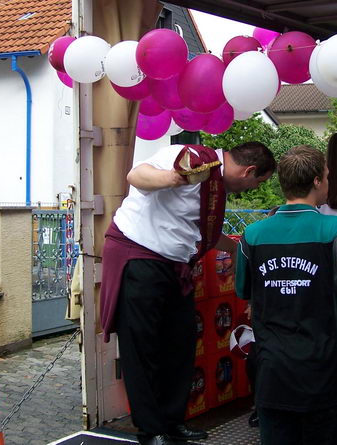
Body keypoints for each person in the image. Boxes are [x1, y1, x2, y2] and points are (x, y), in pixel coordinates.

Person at [100, 141, 276, 445]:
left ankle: (172, 421)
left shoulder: (216, 186)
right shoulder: (191, 158)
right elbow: (136, 176)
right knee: (143, 347)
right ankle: (151, 429)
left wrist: (235, 248)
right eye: (257, 182)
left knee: (180, 343)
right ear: (249, 171)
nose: (250, 189)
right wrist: (175, 177)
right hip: (140, 254)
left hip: (173, 265)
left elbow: (199, 230)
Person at [235, 145, 337, 445]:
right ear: (318, 181)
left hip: (272, 375)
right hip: (322, 377)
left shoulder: (252, 235)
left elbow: (246, 293)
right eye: (328, 176)